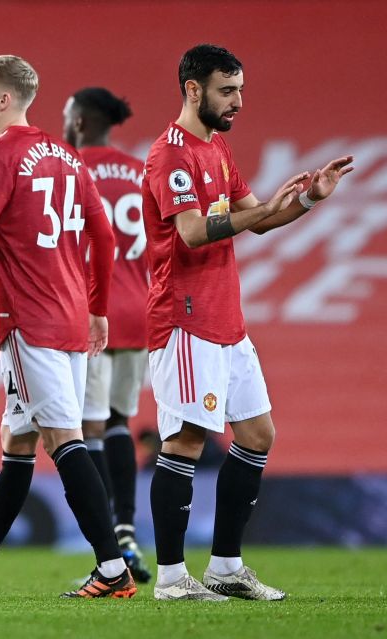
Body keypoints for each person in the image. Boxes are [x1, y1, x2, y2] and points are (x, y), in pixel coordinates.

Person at [142, 43, 353, 600]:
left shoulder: (218, 149)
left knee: (258, 434)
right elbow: (190, 232)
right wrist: (258, 211)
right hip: (184, 320)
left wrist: (308, 198)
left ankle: (227, 568)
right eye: (227, 90)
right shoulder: (170, 156)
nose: (238, 101)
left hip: (227, 320)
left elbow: (259, 220)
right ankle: (169, 579)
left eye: (239, 89)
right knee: (187, 439)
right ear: (194, 90)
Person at [0, 55, 135, 600]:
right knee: (17, 441)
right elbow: (106, 237)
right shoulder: (68, 156)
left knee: (64, 440)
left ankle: (113, 570)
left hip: (30, 319)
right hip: (70, 316)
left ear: (3, 100)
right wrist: (97, 308)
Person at [62, 86, 152, 583]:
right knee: (120, 420)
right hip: (139, 314)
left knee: (89, 428)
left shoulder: (68, 169)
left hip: (91, 314)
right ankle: (127, 533)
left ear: (79, 122)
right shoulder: (140, 171)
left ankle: (108, 557)